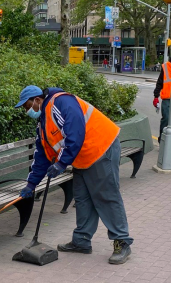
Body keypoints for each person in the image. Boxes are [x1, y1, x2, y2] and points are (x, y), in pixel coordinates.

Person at [14, 85, 134, 265]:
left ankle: (122, 242)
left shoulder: (60, 102)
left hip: (101, 147)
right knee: (82, 197)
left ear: (37, 100)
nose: (27, 111)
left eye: (27, 106)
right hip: (82, 156)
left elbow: (75, 132)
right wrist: (31, 184)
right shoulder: (43, 124)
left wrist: (61, 163)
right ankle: (81, 241)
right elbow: (42, 157)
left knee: (106, 196)